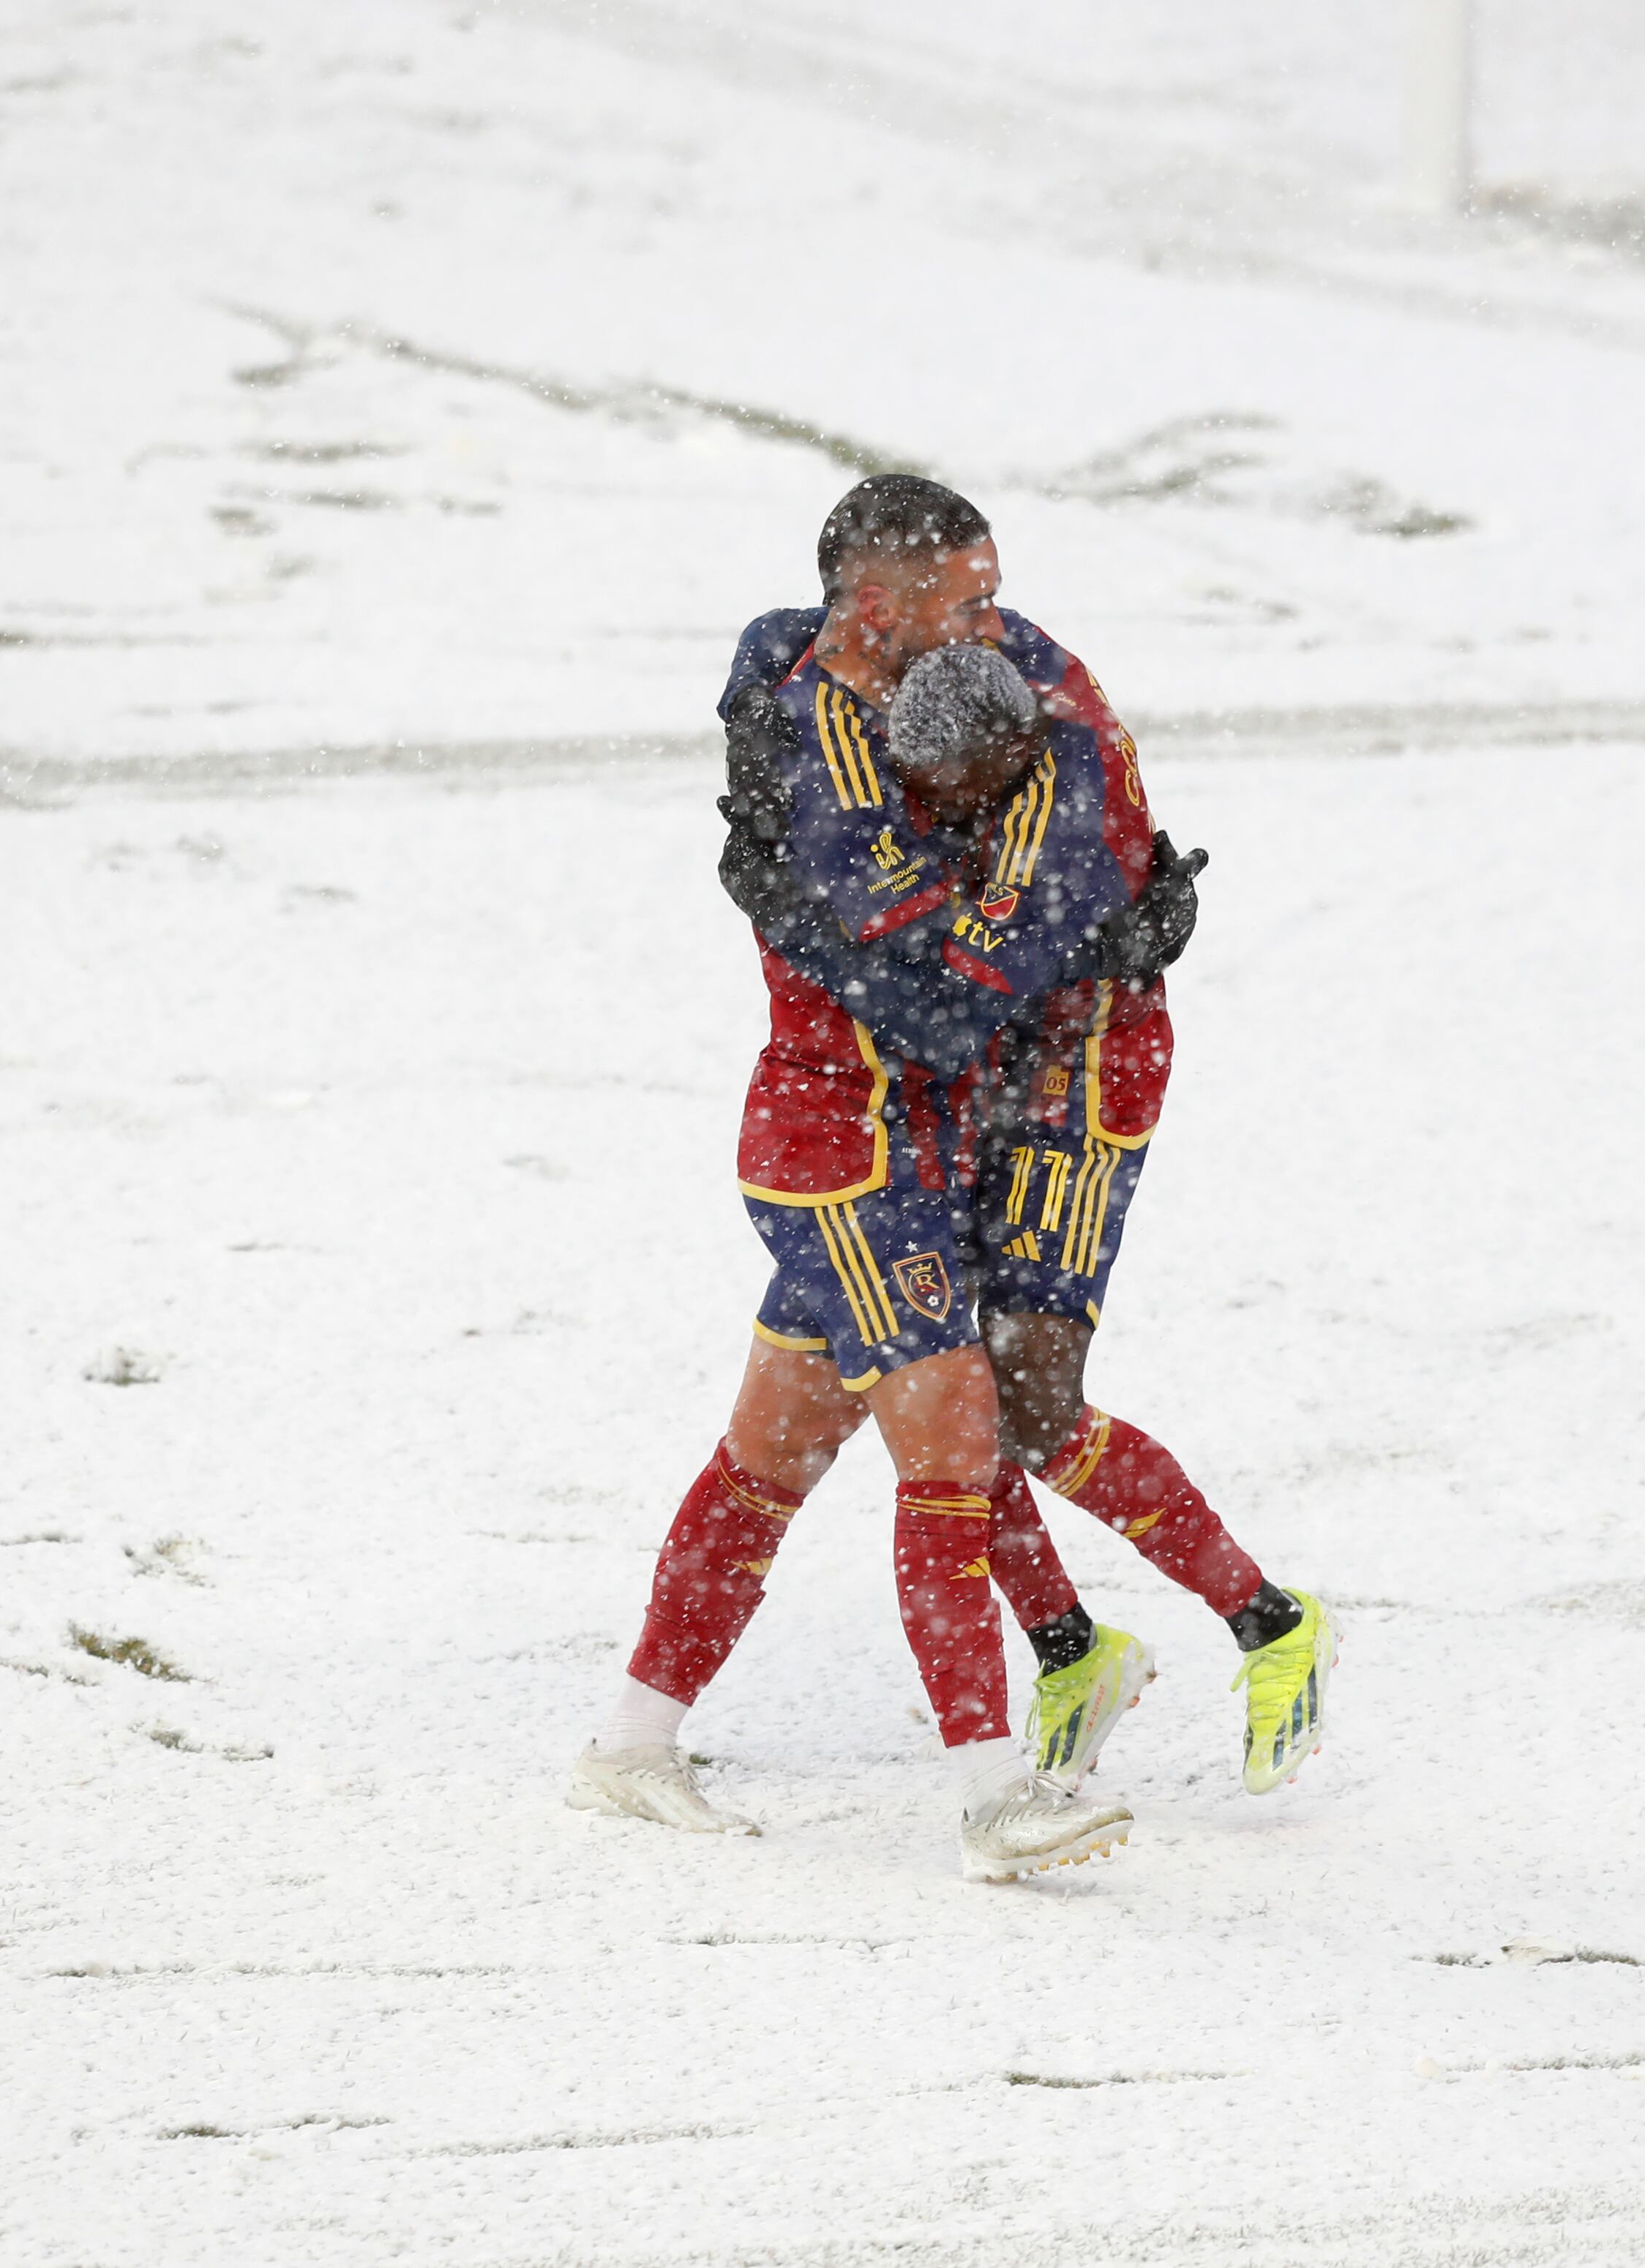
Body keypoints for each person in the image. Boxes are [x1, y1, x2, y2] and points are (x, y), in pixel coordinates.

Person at [563, 478, 1328, 1877]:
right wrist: (1030, 930)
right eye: (967, 598)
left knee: (771, 1464)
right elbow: (929, 1007)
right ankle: (996, 1796)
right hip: (854, 1158)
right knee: (958, 1451)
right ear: (878, 607)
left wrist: (1109, 904)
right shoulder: (817, 743)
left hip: (891, 1144)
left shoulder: (976, 696)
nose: (999, 619)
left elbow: (1015, 871)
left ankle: (630, 1745)